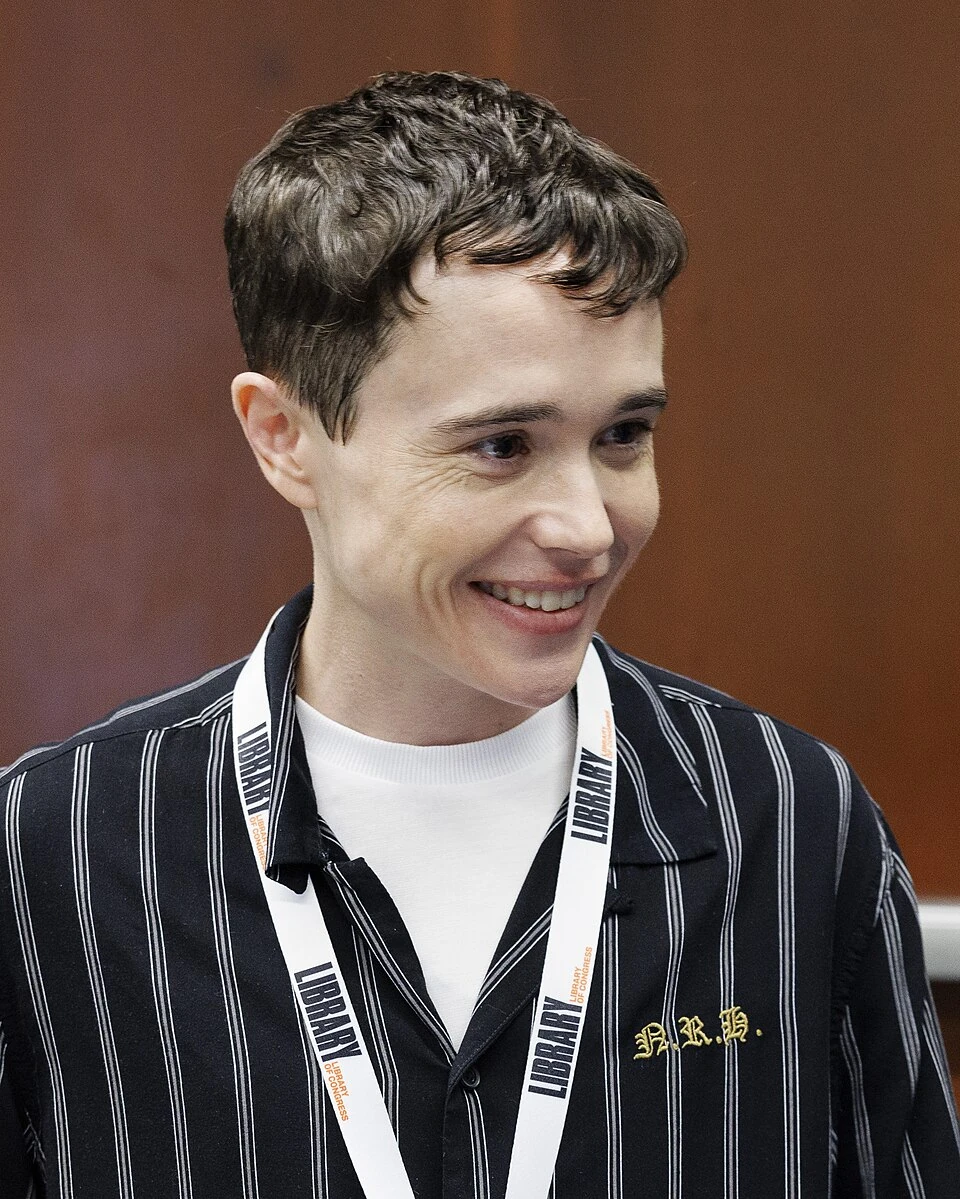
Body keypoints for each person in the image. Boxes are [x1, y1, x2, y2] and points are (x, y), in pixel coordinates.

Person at [0, 70, 957, 1199]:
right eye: (502, 445)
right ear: (284, 436)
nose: (588, 527)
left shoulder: (791, 824)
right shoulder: (53, 853)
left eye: (624, 434)